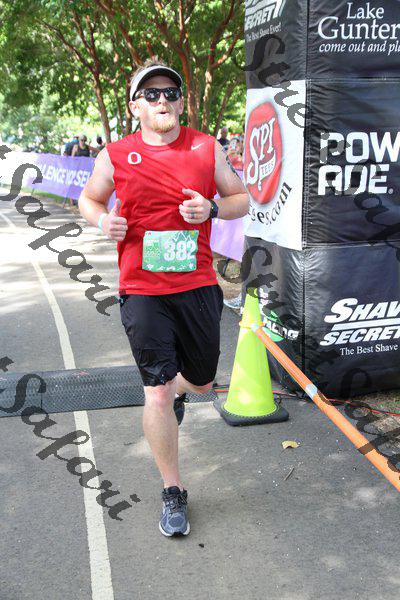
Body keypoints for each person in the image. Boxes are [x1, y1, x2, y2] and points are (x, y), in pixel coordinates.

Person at [78, 59, 248, 538]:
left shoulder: (205, 147)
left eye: (170, 92)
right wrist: (101, 220)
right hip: (142, 290)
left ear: (181, 101)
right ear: (135, 106)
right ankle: (173, 489)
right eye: (150, 94)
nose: (162, 101)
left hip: (197, 286)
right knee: (155, 389)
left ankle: (180, 390)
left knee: (202, 382)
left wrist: (211, 208)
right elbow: (90, 199)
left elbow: (241, 199)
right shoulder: (116, 154)